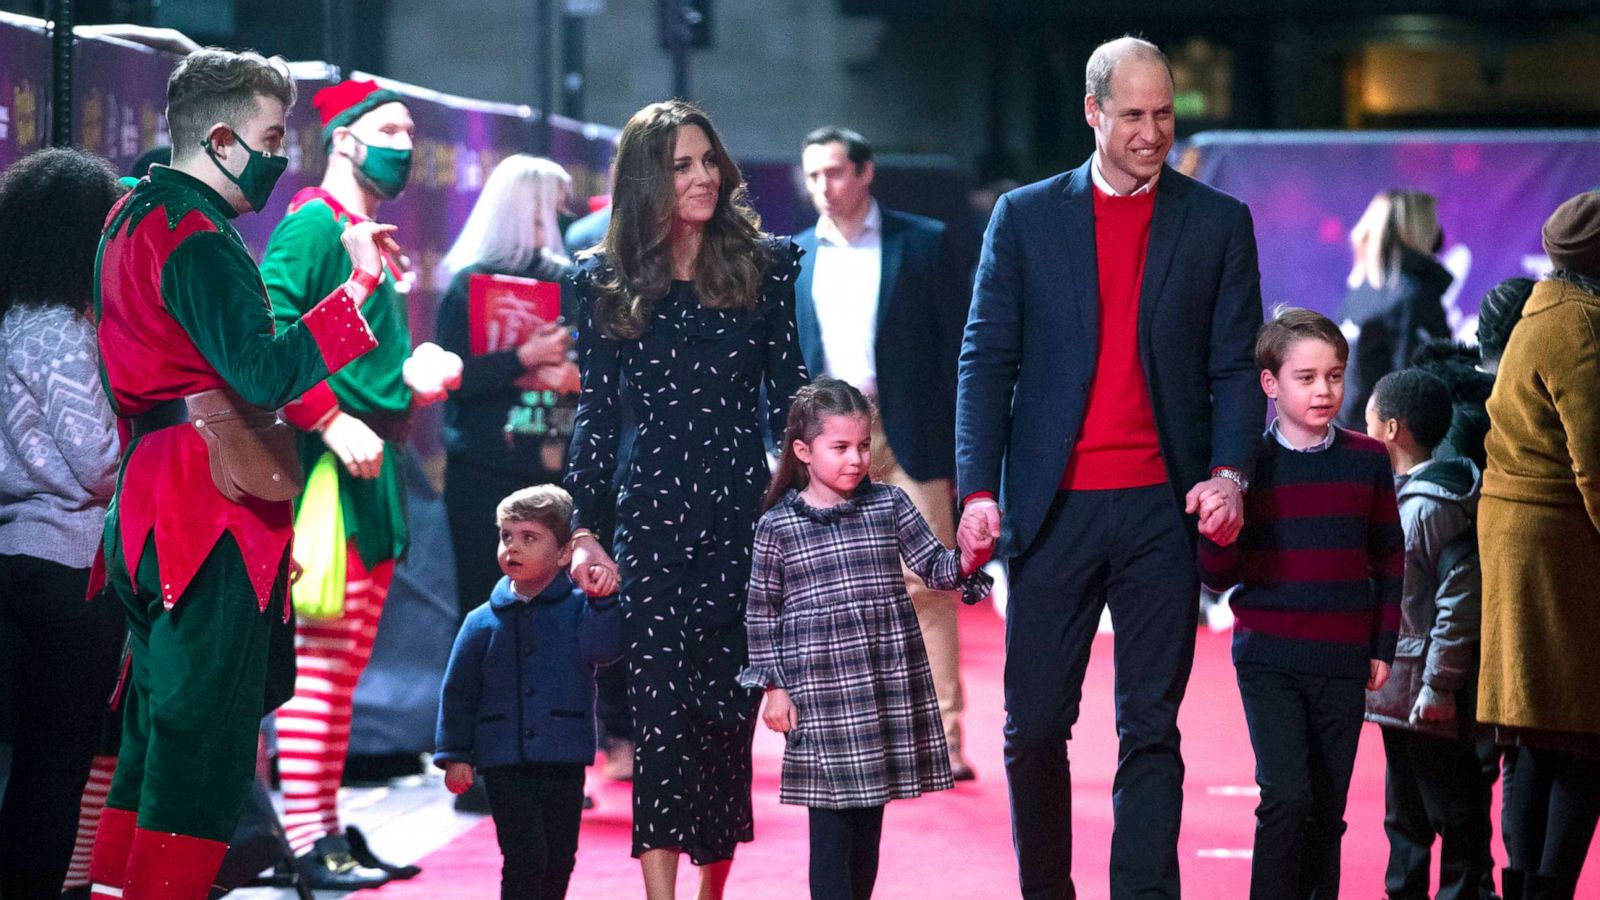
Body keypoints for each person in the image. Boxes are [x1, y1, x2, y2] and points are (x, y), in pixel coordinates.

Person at [955, 36, 1265, 899]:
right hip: (1054, 511)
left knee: (1151, 727)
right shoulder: (1024, 217)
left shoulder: (1216, 223)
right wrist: (978, 488)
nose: (1152, 131)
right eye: (1133, 115)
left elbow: (1235, 368)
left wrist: (1232, 474)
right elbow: (985, 361)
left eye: (1164, 113)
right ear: (1093, 113)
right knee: (1034, 725)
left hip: (1165, 512)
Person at [87, 47, 386, 898]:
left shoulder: (129, 218)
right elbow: (262, 372)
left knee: (156, 735)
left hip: (153, 497)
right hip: (205, 510)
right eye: (270, 134)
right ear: (220, 139)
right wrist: (357, 286)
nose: (279, 153)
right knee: (202, 754)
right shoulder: (195, 236)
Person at [563, 99, 810, 900]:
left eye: (709, 160)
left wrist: (820, 486)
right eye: (681, 165)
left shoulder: (765, 265)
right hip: (651, 522)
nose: (704, 176)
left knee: (721, 727)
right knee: (660, 724)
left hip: (743, 519)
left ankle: (711, 892)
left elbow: (788, 400)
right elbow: (596, 417)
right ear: (647, 180)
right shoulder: (604, 281)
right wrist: (586, 530)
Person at [259, 77, 460, 889]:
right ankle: (307, 840)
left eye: (411, 129)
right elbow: (268, 342)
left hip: (370, 469)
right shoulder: (313, 226)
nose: (405, 144)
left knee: (342, 671)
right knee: (317, 666)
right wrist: (324, 419)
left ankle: (324, 825)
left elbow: (350, 357)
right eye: (388, 128)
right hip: (324, 477)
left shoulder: (364, 231)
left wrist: (412, 379)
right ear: (342, 137)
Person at [741, 378, 990, 900]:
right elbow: (762, 615)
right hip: (819, 698)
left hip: (879, 689)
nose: (856, 459)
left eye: (862, 445)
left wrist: (969, 555)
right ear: (803, 451)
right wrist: (774, 688)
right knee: (830, 834)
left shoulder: (890, 506)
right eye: (840, 448)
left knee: (866, 830)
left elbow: (935, 569)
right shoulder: (778, 526)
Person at [1198, 307, 1402, 900]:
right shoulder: (1247, 468)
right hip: (1269, 658)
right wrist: (1216, 533)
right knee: (1286, 797)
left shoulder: (1366, 458)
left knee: (1327, 811)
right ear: (1270, 384)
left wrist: (1382, 645)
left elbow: (1389, 557)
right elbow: (1217, 578)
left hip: (1342, 658)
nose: (1324, 391)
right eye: (1306, 377)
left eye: (1334, 376)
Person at [794, 127, 976, 780]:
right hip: (825, 436)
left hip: (909, 430)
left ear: (867, 173)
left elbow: (961, 346)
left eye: (837, 172)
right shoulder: (794, 256)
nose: (824, 187)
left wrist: (965, 443)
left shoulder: (922, 241)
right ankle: (840, 739)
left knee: (928, 586)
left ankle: (946, 743)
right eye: (813, 176)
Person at [0, 147, 125, 899]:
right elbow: (98, 463)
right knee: (55, 772)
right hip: (70, 564)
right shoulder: (55, 330)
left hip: (12, 555)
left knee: (23, 772)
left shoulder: (9, 320)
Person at [1478, 192, 1600, 899]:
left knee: (1530, 732)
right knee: (1583, 733)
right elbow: (1596, 463)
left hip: (1518, 536)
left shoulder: (1542, 306)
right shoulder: (1583, 326)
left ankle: (1524, 884)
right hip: (1558, 545)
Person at [434, 484, 621, 900]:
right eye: (506, 536)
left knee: (560, 856)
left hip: (564, 757)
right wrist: (456, 756)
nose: (512, 548)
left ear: (562, 554)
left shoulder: (579, 609)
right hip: (504, 761)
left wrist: (604, 602)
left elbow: (604, 651)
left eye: (528, 538)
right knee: (525, 855)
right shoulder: (480, 621)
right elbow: (459, 692)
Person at [1362, 368, 1491, 900]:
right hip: (1401, 691)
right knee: (1405, 816)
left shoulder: (1429, 510)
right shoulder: (1407, 498)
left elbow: (1457, 606)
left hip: (1426, 694)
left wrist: (1439, 685)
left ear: (1391, 429)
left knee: (1453, 811)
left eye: (1368, 416)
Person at [436, 154, 580, 624]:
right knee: (483, 607)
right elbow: (454, 381)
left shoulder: (573, 282)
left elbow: (608, 373)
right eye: (552, 205)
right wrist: (522, 359)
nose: (563, 215)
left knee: (559, 609)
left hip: (554, 468)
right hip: (482, 471)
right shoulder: (466, 285)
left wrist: (577, 381)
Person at [1336, 189, 1453, 429]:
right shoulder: (1411, 295)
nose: (1438, 233)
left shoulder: (1360, 291)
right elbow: (1415, 384)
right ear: (1419, 230)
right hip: (1391, 442)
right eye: (1432, 223)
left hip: (1354, 432)